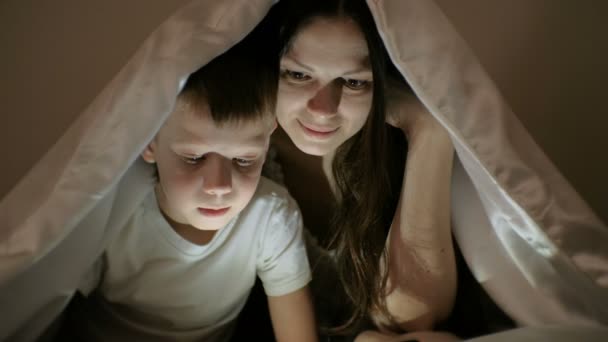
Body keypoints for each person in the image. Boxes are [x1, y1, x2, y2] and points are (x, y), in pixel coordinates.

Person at [64, 23, 318, 342]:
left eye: (244, 160)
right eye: (195, 158)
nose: (219, 186)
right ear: (150, 142)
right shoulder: (114, 212)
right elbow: (53, 309)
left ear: (267, 145)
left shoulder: (271, 218)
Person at [264, 0, 458, 340]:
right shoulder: (234, 154)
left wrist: (429, 130)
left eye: (353, 82)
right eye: (298, 74)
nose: (323, 109)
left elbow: (410, 321)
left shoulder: (386, 152)